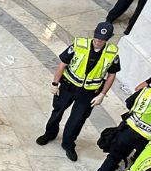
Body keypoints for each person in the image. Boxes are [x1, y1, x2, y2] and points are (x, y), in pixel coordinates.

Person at [36, 22, 119, 162]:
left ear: (108, 38)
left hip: (89, 92)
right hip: (69, 86)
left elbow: (111, 75)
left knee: (78, 119)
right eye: (97, 37)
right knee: (57, 111)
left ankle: (68, 144)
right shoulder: (80, 44)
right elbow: (62, 64)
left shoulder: (112, 52)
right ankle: (50, 133)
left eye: (102, 39)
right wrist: (55, 84)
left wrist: (102, 94)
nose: (98, 41)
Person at [88, 80, 151, 171]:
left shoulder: (147, 92)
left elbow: (129, 102)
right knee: (137, 166)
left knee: (114, 157)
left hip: (130, 131)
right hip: (147, 140)